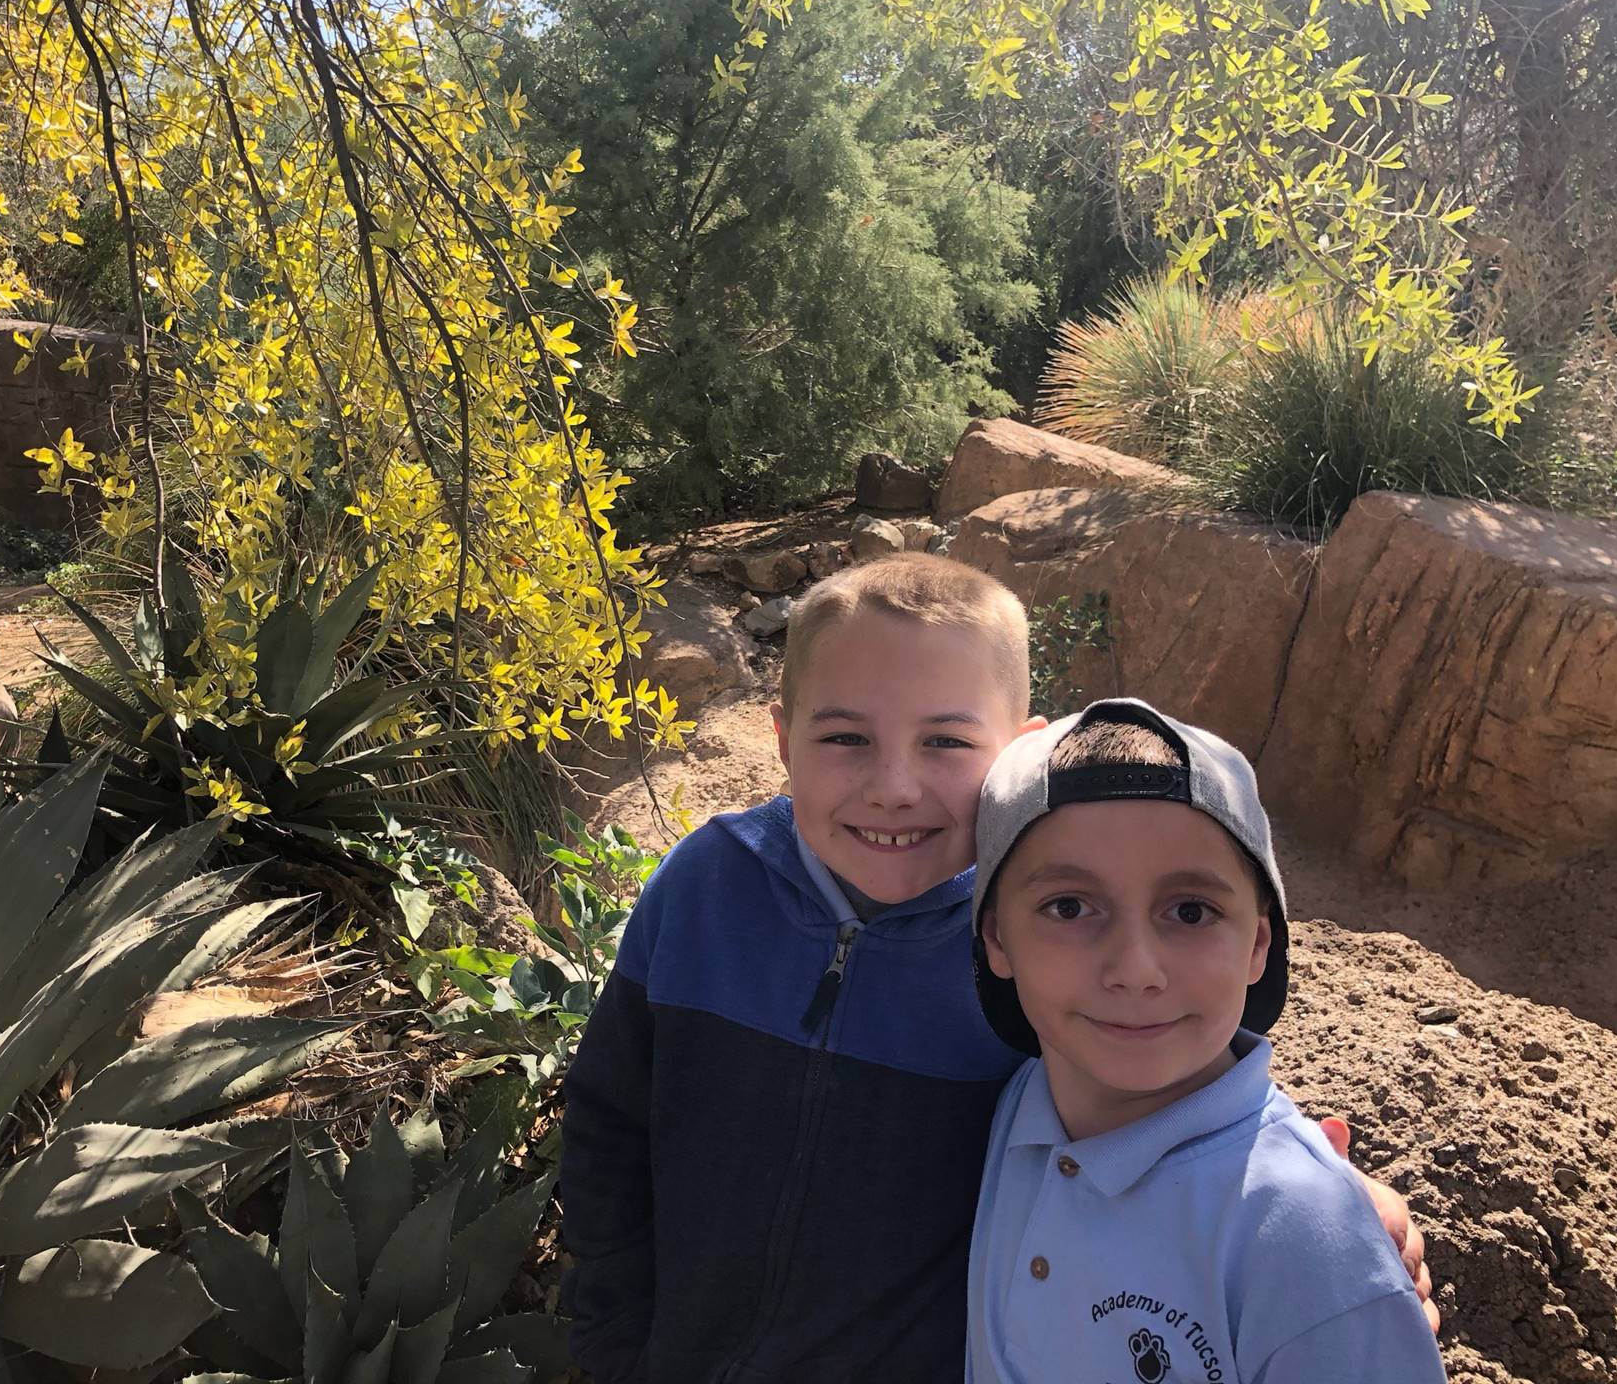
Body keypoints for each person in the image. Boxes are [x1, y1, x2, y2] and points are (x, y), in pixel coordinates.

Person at [560, 554, 1432, 1384]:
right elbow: (610, 1116)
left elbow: (1166, 1071)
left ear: (1021, 753)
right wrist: (611, 1336)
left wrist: (1331, 1206)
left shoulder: (1039, 944)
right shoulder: (706, 886)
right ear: (784, 741)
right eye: (846, 738)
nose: (895, 785)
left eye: (945, 741)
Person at [967, 698, 1447, 1382]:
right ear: (995, 938)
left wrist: (1328, 1220)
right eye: (1069, 907)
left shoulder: (1307, 1242)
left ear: (1258, 943)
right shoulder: (1015, 1101)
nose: (1135, 969)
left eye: (1191, 911)